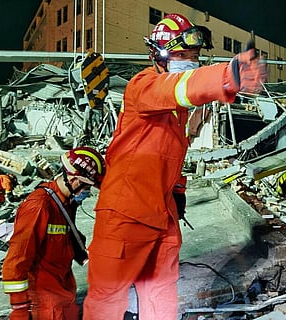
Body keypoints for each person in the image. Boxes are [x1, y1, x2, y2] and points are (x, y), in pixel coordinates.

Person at [83, 13, 266, 320]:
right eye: (184, 55)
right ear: (161, 55)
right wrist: (227, 75)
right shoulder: (143, 87)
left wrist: (178, 188)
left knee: (161, 295)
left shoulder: (179, 115)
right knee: (107, 303)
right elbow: (182, 87)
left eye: (195, 56)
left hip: (162, 215)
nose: (191, 61)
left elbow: (170, 155)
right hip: (125, 215)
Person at [1, 147, 106, 320]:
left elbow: (68, 234)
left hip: (63, 292)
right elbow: (16, 260)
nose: (87, 193)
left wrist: (86, 258)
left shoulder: (65, 204)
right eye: (87, 186)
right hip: (45, 302)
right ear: (73, 180)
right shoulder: (40, 206)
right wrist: (19, 309)